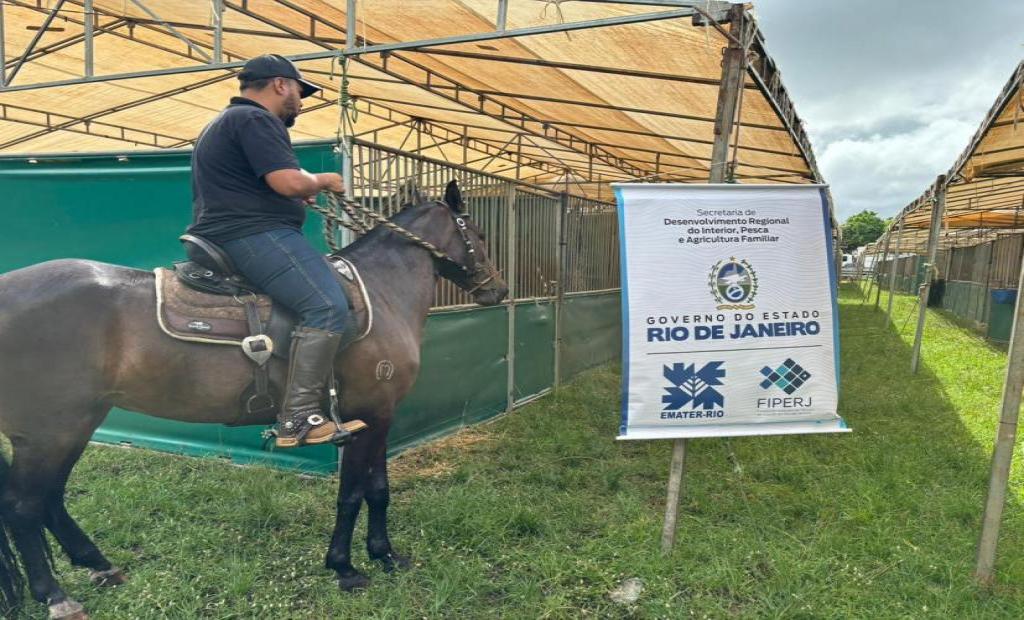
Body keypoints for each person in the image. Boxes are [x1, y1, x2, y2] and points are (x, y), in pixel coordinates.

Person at [186, 54, 349, 448]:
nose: (301, 100)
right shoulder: (256, 119)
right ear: (280, 85)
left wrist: (294, 196)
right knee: (328, 306)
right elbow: (287, 181)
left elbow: (260, 185)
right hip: (252, 234)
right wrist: (322, 180)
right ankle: (297, 418)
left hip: (236, 229)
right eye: (299, 90)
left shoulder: (227, 122)